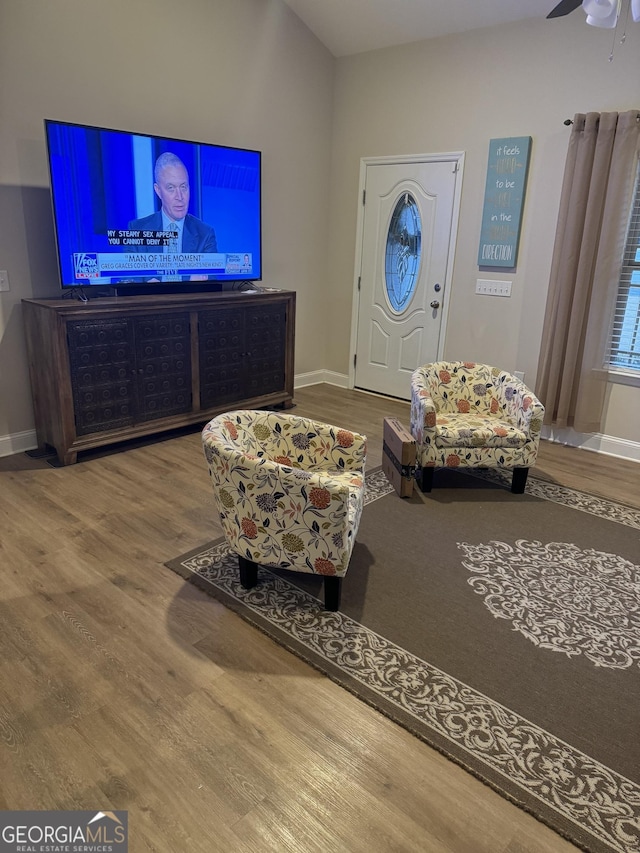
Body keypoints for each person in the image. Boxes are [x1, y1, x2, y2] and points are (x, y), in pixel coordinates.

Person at [128, 152, 217, 253]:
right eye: (171, 188)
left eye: (183, 187)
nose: (179, 197)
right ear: (158, 191)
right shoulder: (137, 230)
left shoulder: (205, 235)